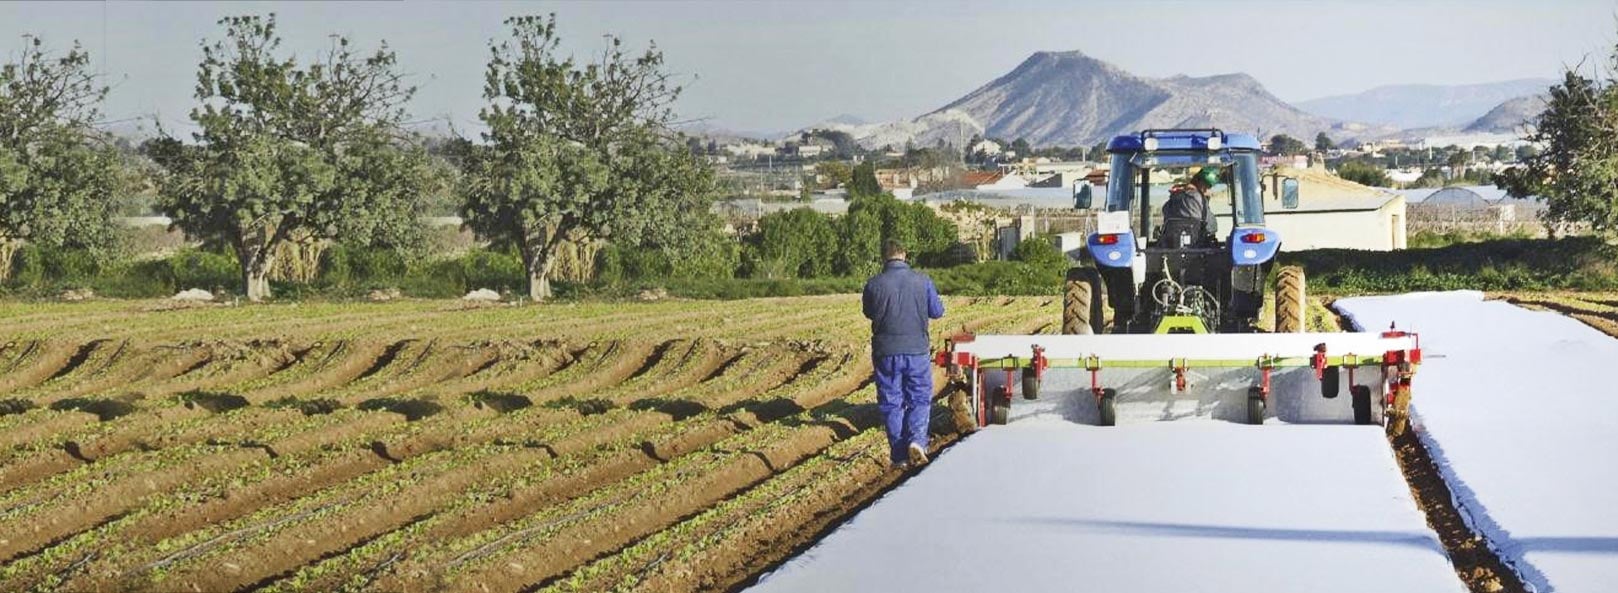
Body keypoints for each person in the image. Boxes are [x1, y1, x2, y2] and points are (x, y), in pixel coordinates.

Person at [862, 240, 945, 469]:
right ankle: (917, 441)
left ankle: (899, 455)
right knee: (919, 396)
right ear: (904, 255)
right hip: (916, 350)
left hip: (885, 351)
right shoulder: (923, 281)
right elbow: (937, 312)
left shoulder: (873, 284)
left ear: (884, 257)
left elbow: (868, 312)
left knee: (891, 401)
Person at [1161, 166, 1220, 245]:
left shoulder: (1174, 197)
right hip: (1197, 247)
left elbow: (1165, 213)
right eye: (1208, 187)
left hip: (1170, 246)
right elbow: (1211, 226)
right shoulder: (1199, 199)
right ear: (1203, 185)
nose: (1209, 190)